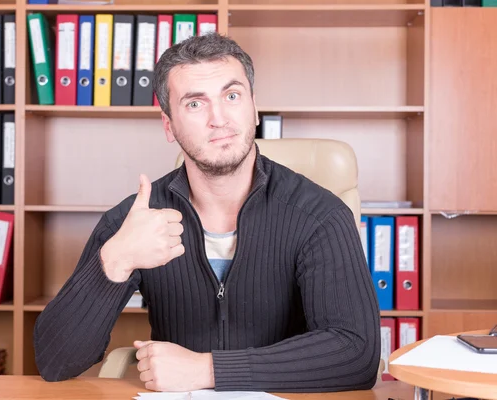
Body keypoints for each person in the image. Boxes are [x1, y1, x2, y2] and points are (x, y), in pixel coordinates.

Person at [33, 32, 381, 393]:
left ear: (254, 107)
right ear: (169, 125)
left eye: (232, 96)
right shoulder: (135, 221)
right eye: (195, 104)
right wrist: (114, 261)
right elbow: (56, 362)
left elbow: (357, 353)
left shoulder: (319, 216)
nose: (219, 118)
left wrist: (209, 370)